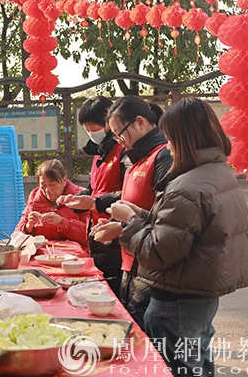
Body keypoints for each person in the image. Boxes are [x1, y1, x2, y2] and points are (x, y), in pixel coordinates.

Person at [110, 98, 248, 377]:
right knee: (198, 363)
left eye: (170, 138)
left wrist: (129, 222)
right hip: (202, 294)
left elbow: (158, 252)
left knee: (178, 369)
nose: (167, 146)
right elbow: (182, 229)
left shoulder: (186, 186)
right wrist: (141, 215)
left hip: (176, 300)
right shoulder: (217, 172)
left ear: (184, 138)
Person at [69, 96, 172, 329]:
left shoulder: (161, 156)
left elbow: (164, 219)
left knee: (158, 340)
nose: (120, 141)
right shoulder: (136, 156)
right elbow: (128, 200)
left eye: (120, 134)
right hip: (132, 257)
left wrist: (117, 222)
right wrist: (95, 205)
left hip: (148, 263)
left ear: (140, 122)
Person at [67, 96, 127, 296]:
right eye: (87, 129)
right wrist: (75, 200)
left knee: (114, 291)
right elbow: (93, 188)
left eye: (94, 128)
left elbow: (130, 193)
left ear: (109, 122)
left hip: (115, 233)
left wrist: (96, 202)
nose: (91, 133)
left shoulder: (122, 151)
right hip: (96, 233)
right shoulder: (99, 153)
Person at [15, 160, 88, 247]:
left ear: (64, 180)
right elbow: (16, 236)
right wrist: (28, 227)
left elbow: (91, 235)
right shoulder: (35, 197)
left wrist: (62, 222)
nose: (47, 190)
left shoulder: (81, 197)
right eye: (43, 185)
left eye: (52, 184)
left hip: (75, 253)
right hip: (42, 251)